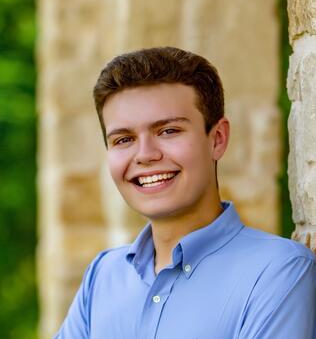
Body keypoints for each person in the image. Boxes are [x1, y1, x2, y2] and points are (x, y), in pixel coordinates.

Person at [54, 47, 316, 339]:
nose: (145, 155)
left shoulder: (279, 272)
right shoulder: (102, 276)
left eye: (168, 131)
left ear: (217, 139)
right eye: (124, 139)